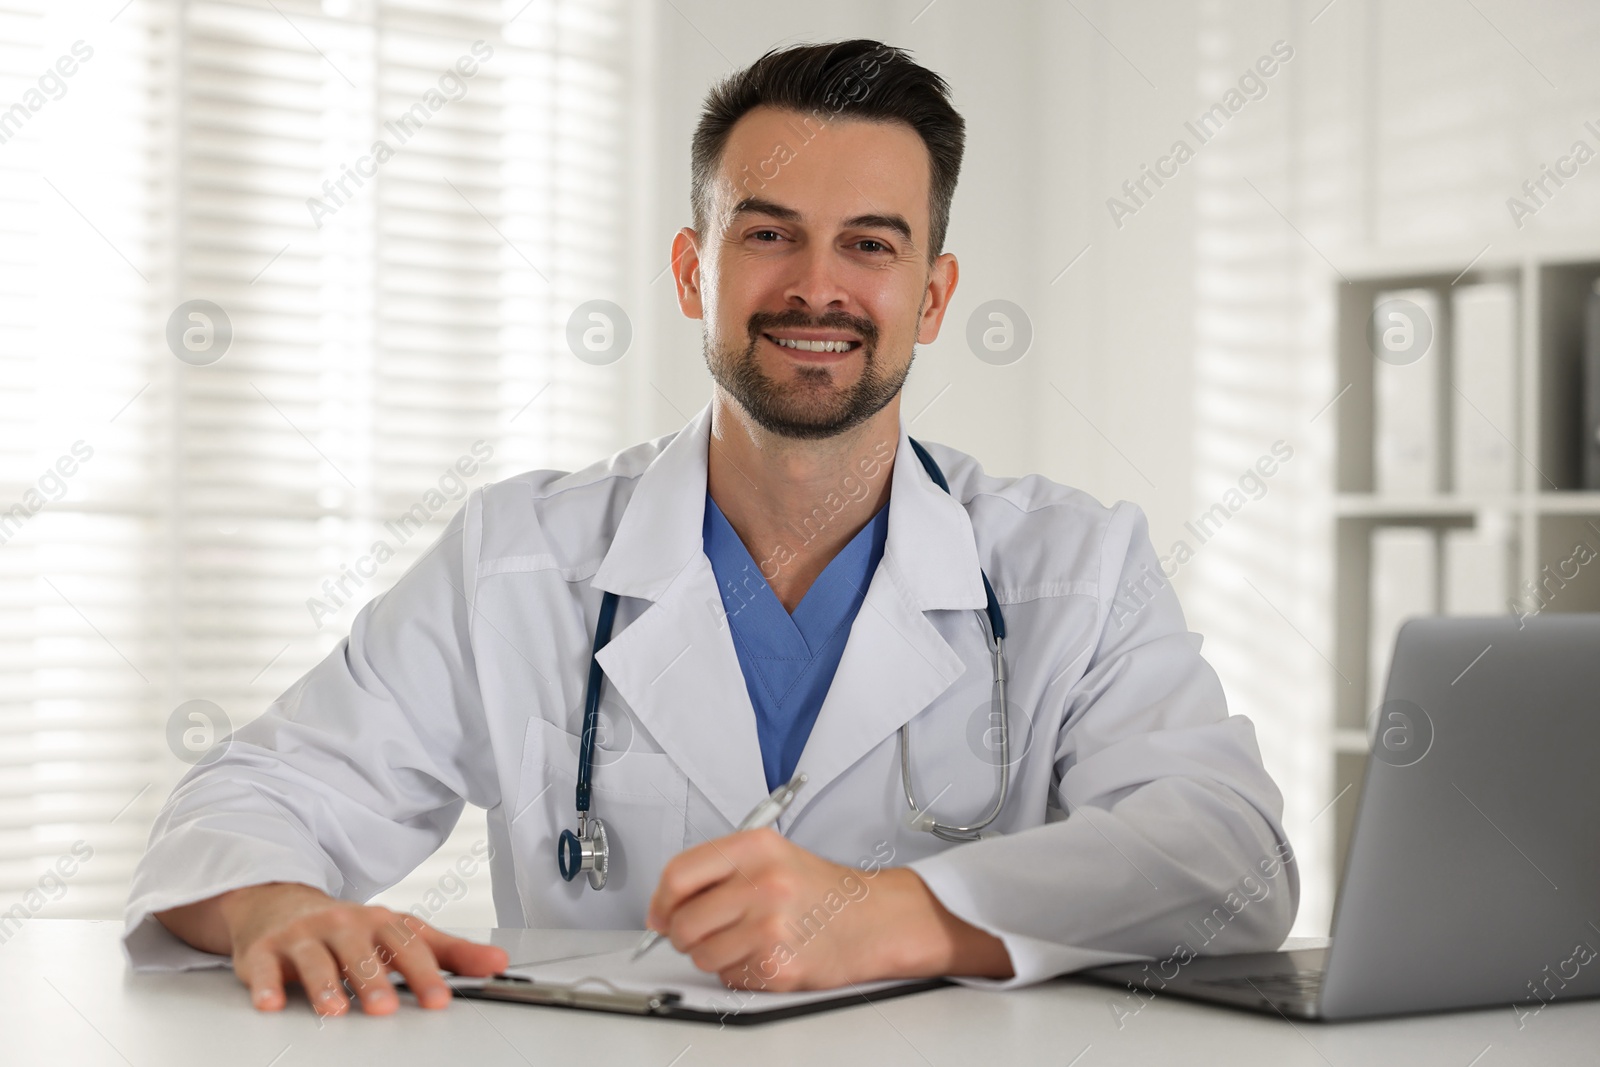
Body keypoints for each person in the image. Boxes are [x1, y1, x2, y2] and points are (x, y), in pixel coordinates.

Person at [127, 38, 1298, 1017]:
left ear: (932, 296)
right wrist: (272, 902)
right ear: (694, 271)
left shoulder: (1074, 568)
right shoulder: (517, 558)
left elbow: (1228, 853)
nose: (815, 286)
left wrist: (892, 914)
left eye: (871, 244)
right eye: (767, 232)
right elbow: (249, 799)